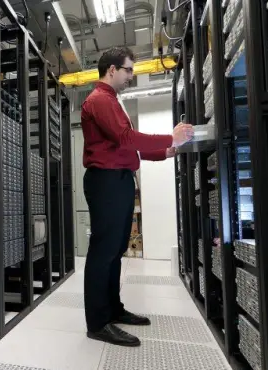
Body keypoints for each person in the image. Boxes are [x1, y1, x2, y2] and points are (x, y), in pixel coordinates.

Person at [81, 46, 194, 347]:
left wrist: (163, 152)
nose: (132, 75)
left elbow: (129, 147)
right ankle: (97, 323)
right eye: (129, 70)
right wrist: (171, 136)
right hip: (105, 182)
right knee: (103, 253)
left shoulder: (112, 102)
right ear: (112, 70)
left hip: (118, 180)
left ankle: (113, 310)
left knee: (116, 250)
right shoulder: (99, 100)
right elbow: (126, 139)